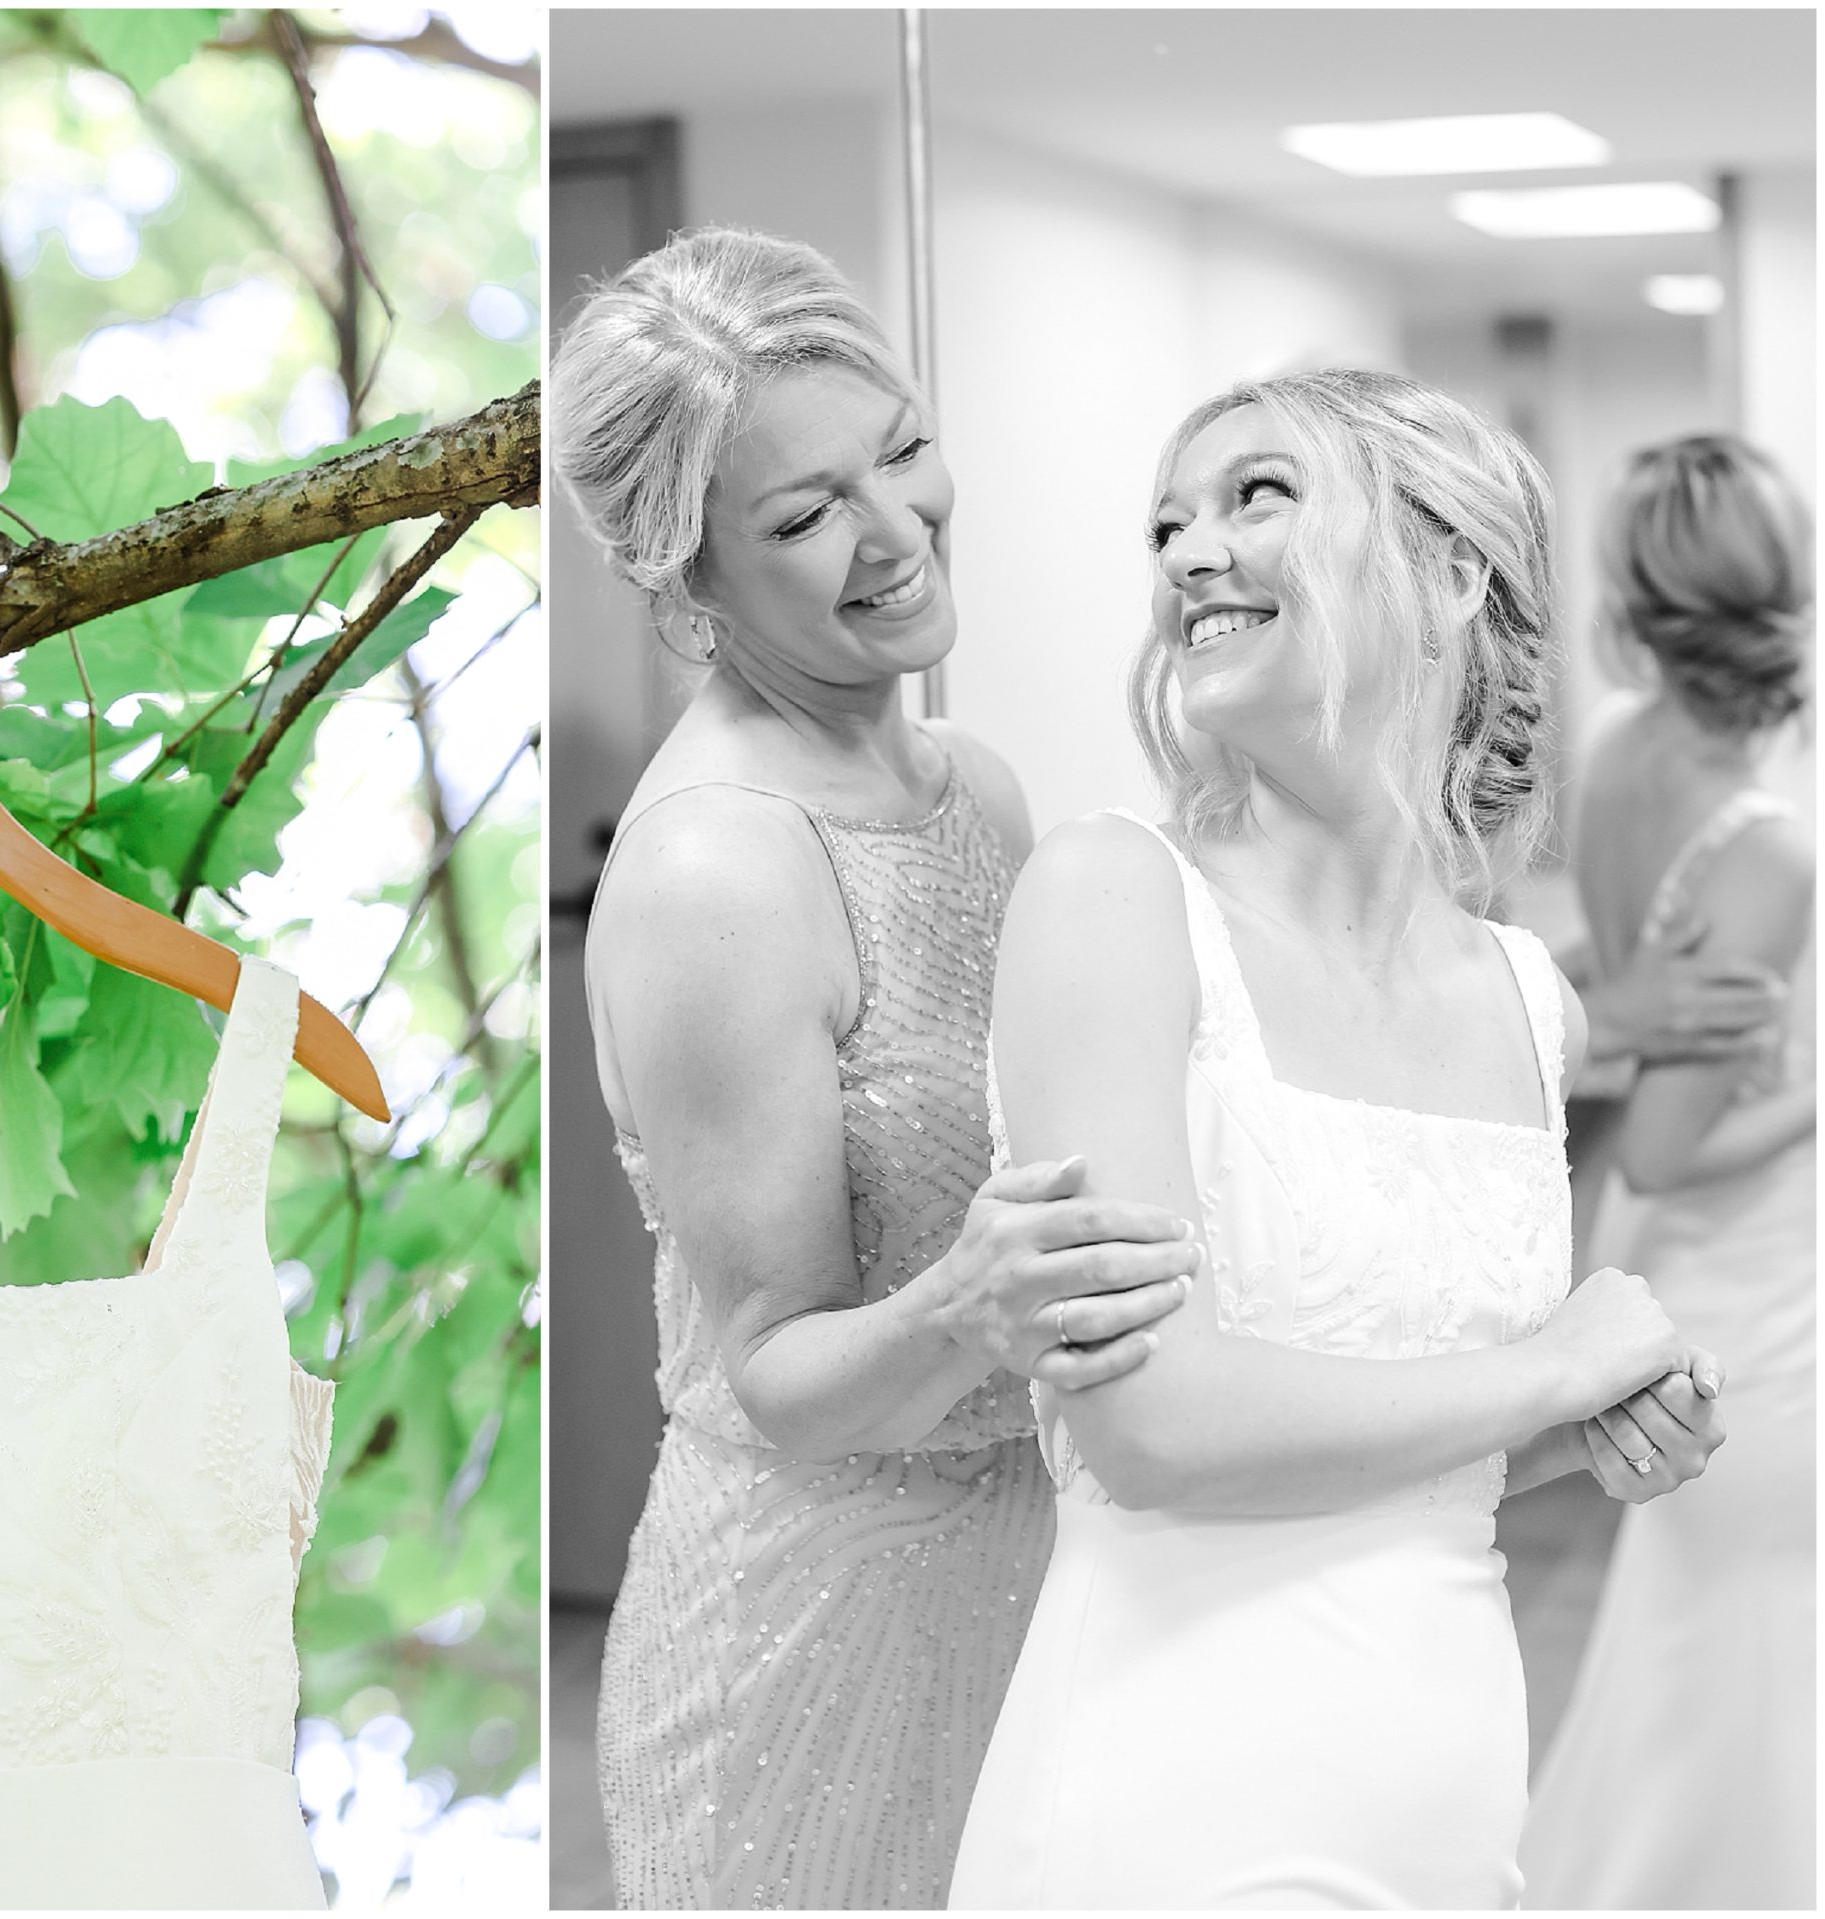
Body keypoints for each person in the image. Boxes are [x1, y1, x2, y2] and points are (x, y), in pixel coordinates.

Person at [947, 370, 1729, 1908]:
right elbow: (1152, 1426)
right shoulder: (1113, 901)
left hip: (1441, 1805)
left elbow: (1417, 1437)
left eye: (1258, 496)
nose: (1187, 556)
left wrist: (1603, 1429)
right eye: (1167, 523)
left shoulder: (1520, 991)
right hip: (1166, 1799)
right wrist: (1559, 1367)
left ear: (1449, 574)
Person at [552, 227, 1206, 1908]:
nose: (896, 529)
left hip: (1044, 1584)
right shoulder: (720, 874)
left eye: (900, 450)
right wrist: (959, 1314)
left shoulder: (976, 791)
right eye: (803, 515)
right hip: (810, 1638)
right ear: (684, 578)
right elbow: (768, 1362)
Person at [1521, 434, 1815, 1909]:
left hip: (1689, 1267)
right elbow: (1674, 1140)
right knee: (1751, 1635)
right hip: (1757, 1278)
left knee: (1705, 1635)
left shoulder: (1627, 751)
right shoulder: (1765, 845)